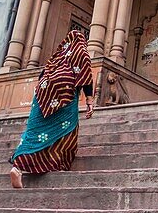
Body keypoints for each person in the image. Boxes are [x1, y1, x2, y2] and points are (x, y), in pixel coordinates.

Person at [9, 29, 94, 189]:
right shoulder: (81, 53)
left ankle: (17, 167)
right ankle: (56, 163)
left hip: (42, 94)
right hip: (65, 93)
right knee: (67, 130)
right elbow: (86, 77)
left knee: (36, 132)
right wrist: (89, 99)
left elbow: (42, 76)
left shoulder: (57, 57)